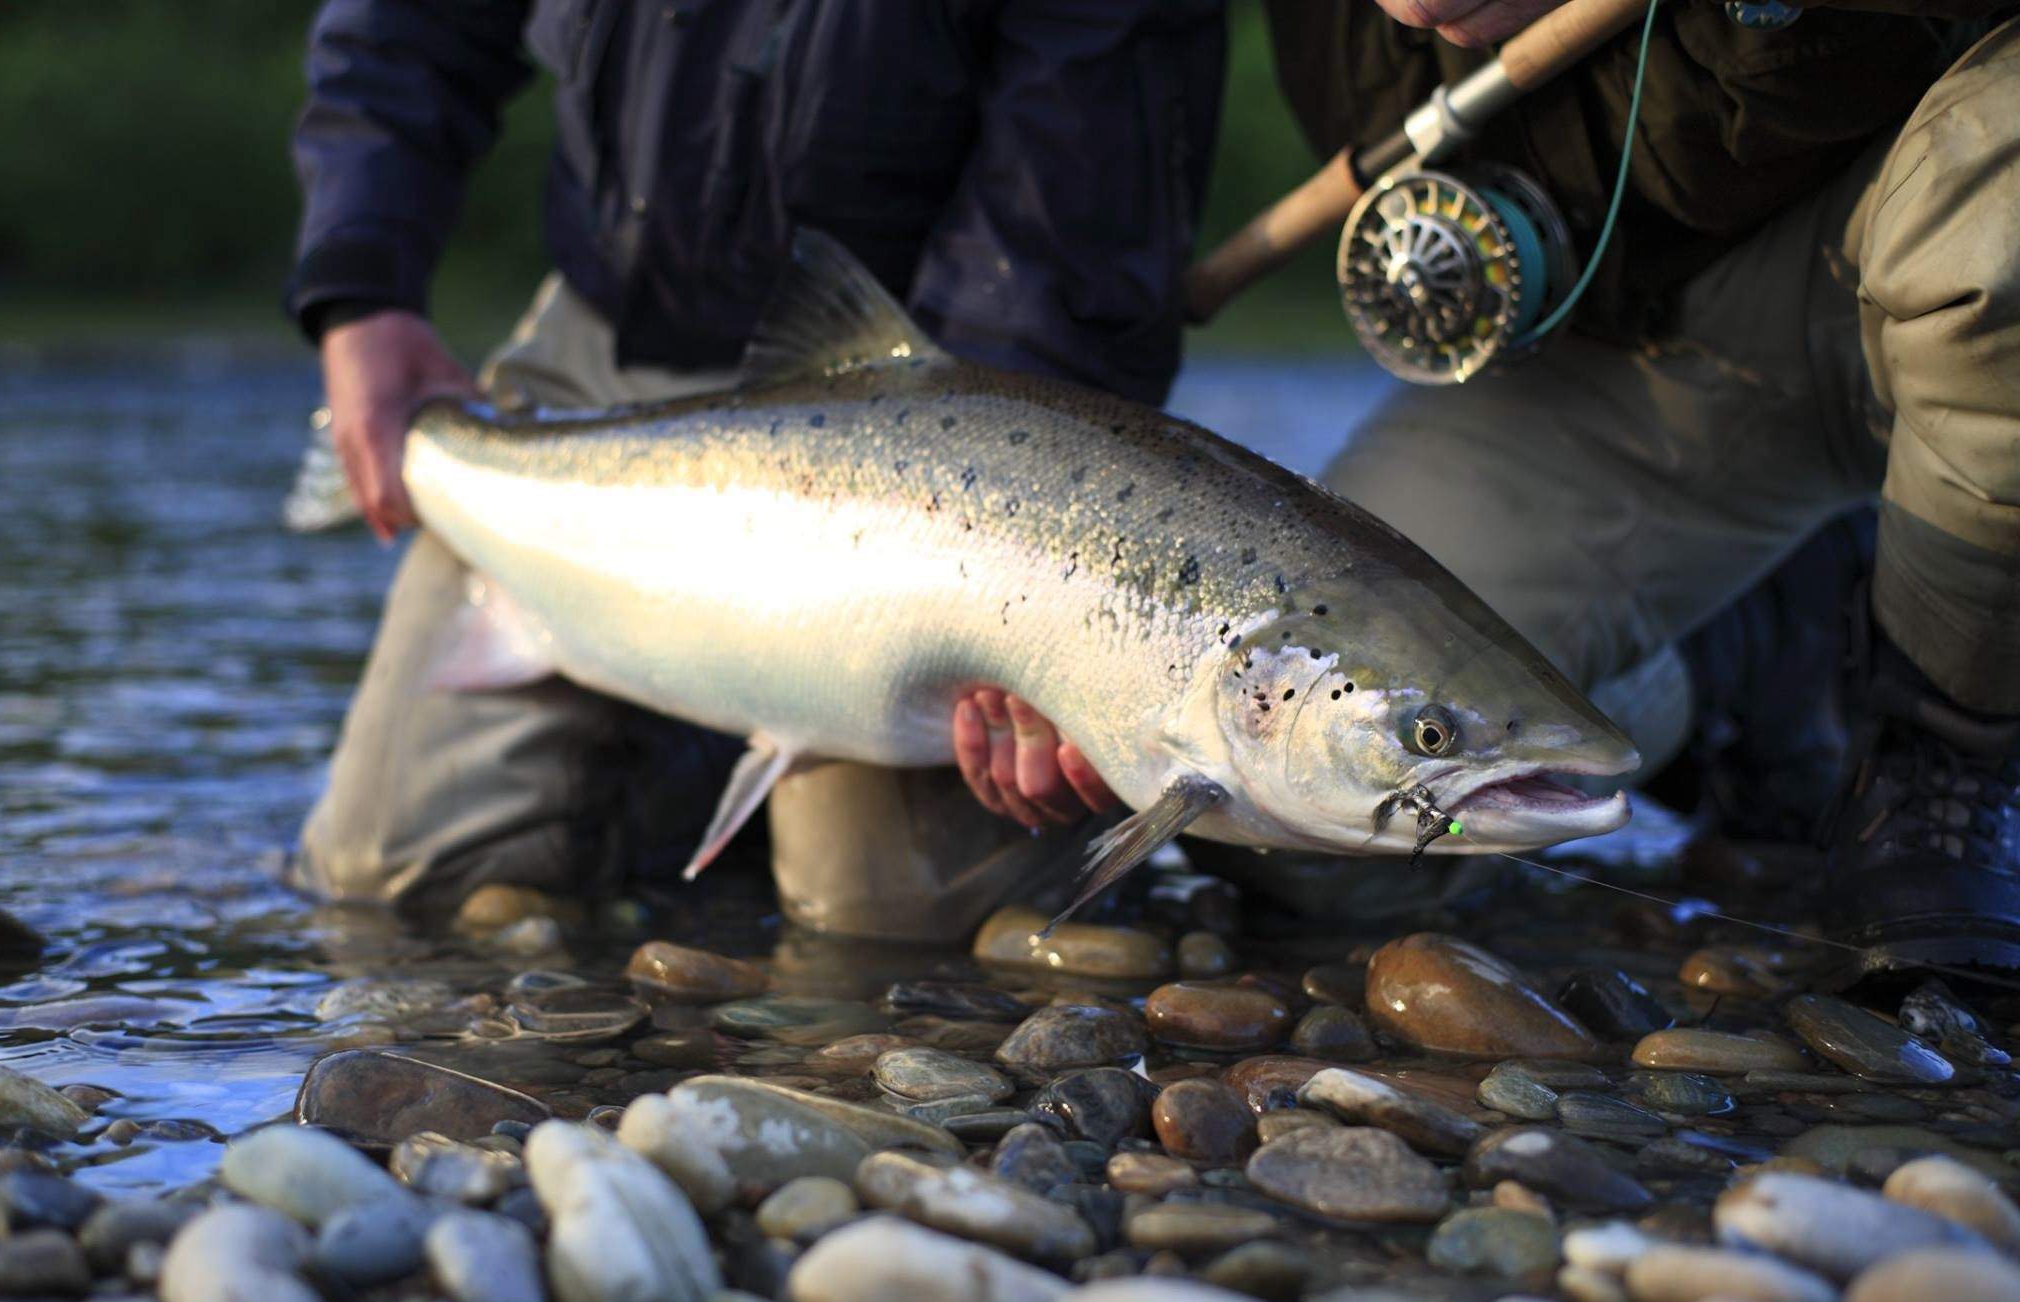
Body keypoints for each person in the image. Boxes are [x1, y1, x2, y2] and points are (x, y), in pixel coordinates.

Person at [286, 0, 1223, 936]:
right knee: (385, 871)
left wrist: (1027, 606)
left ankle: (692, 715)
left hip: (948, 377)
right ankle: (690, 720)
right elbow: (404, 28)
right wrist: (361, 289)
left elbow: (1070, 197)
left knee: (890, 915)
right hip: (613, 331)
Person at [1261, 0, 2019, 965]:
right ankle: (1738, 644)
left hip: (1929, 202)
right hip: (1623, 336)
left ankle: (1949, 746)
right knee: (1311, 801)